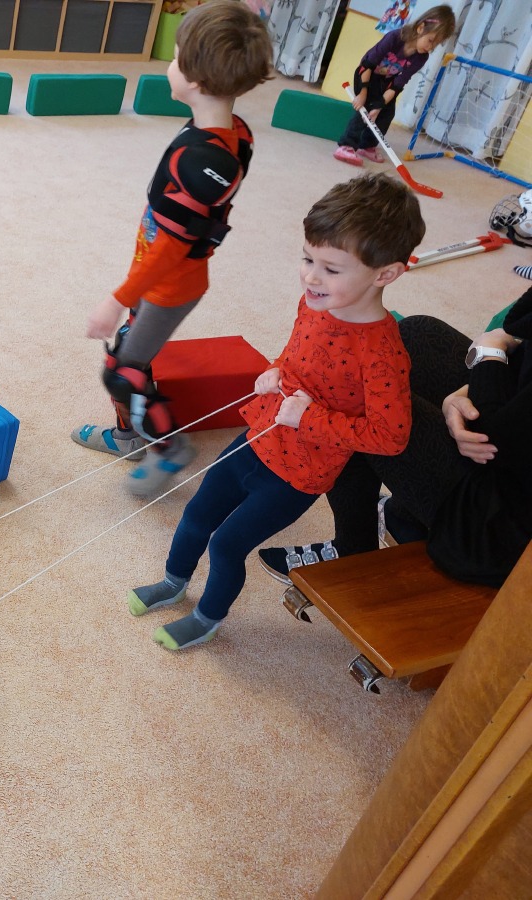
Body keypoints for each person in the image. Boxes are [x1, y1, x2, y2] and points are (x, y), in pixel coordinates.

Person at [127, 172, 424, 650]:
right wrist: (275, 369)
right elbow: (297, 353)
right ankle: (173, 582)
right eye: (308, 259)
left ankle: (207, 617)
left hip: (298, 474)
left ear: (385, 274)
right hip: (257, 437)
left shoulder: (382, 354)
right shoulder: (315, 303)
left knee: (227, 544)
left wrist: (309, 418)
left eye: (331, 268)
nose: (311, 277)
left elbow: (390, 437)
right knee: (198, 511)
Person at [72, 0, 273, 497]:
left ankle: (167, 448)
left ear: (196, 79)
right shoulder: (233, 133)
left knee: (123, 372)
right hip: (163, 277)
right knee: (132, 355)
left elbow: (170, 248)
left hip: (169, 285)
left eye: (177, 55)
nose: (170, 62)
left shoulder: (202, 160)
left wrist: (117, 298)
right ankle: (128, 436)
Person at [258, 287, 532, 590]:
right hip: (513, 451)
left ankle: (352, 553)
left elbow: (497, 440)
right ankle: (404, 519)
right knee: (416, 335)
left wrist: (489, 353)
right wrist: (465, 390)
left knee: (362, 398)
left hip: (502, 533)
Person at [334, 5, 455, 167]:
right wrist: (362, 93)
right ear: (420, 28)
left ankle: (367, 146)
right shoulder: (394, 38)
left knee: (387, 113)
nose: (430, 47)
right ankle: (346, 145)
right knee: (366, 107)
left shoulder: (421, 58)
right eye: (430, 40)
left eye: (435, 45)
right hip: (367, 75)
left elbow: (398, 83)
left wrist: (380, 105)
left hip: (387, 82)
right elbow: (368, 64)